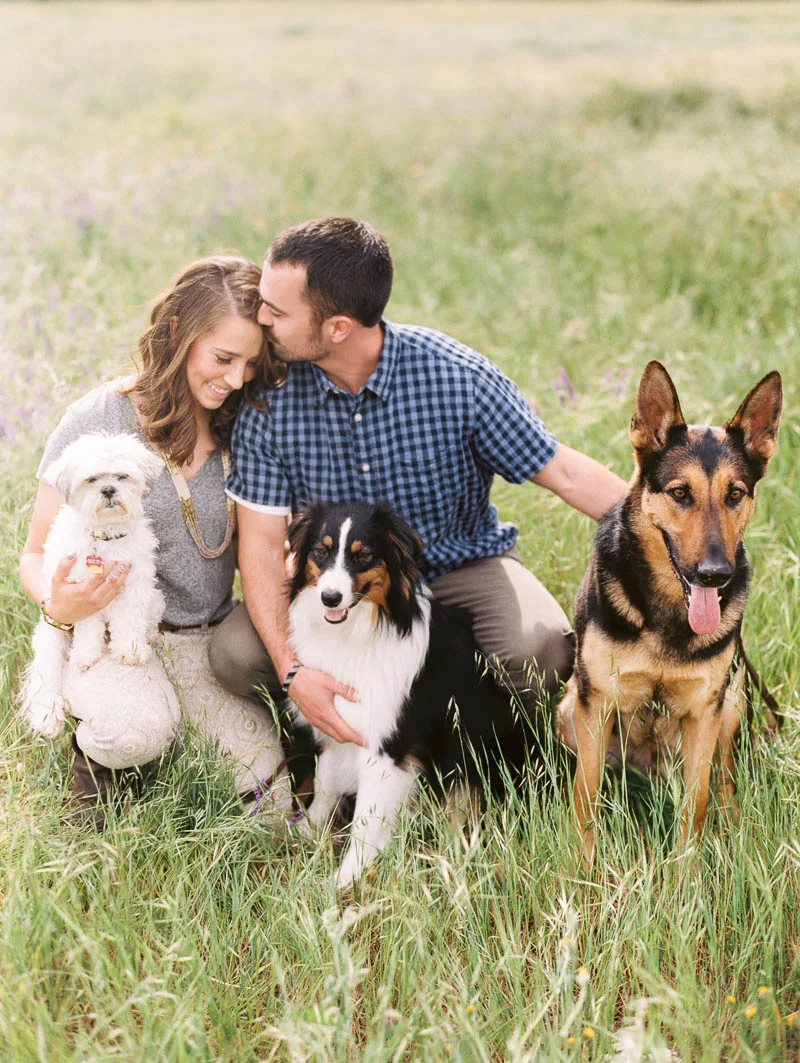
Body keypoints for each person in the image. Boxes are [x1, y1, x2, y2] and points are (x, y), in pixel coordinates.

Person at [210, 217, 628, 747]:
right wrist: (292, 673)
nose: (260, 317)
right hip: (339, 579)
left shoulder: (455, 377)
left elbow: (564, 472)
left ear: (337, 327)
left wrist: (677, 543)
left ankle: (483, 756)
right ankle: (317, 749)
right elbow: (264, 544)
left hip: (459, 563)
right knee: (236, 655)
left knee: (539, 649)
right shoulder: (270, 398)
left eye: (276, 310)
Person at [19, 255, 291, 820]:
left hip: (208, 639)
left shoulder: (247, 423)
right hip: (111, 625)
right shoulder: (99, 417)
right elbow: (36, 551)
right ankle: (106, 768)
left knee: (268, 803)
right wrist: (57, 605)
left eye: (249, 363)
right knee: (130, 733)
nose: (235, 378)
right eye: (222, 358)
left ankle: (187, 726)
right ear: (176, 332)